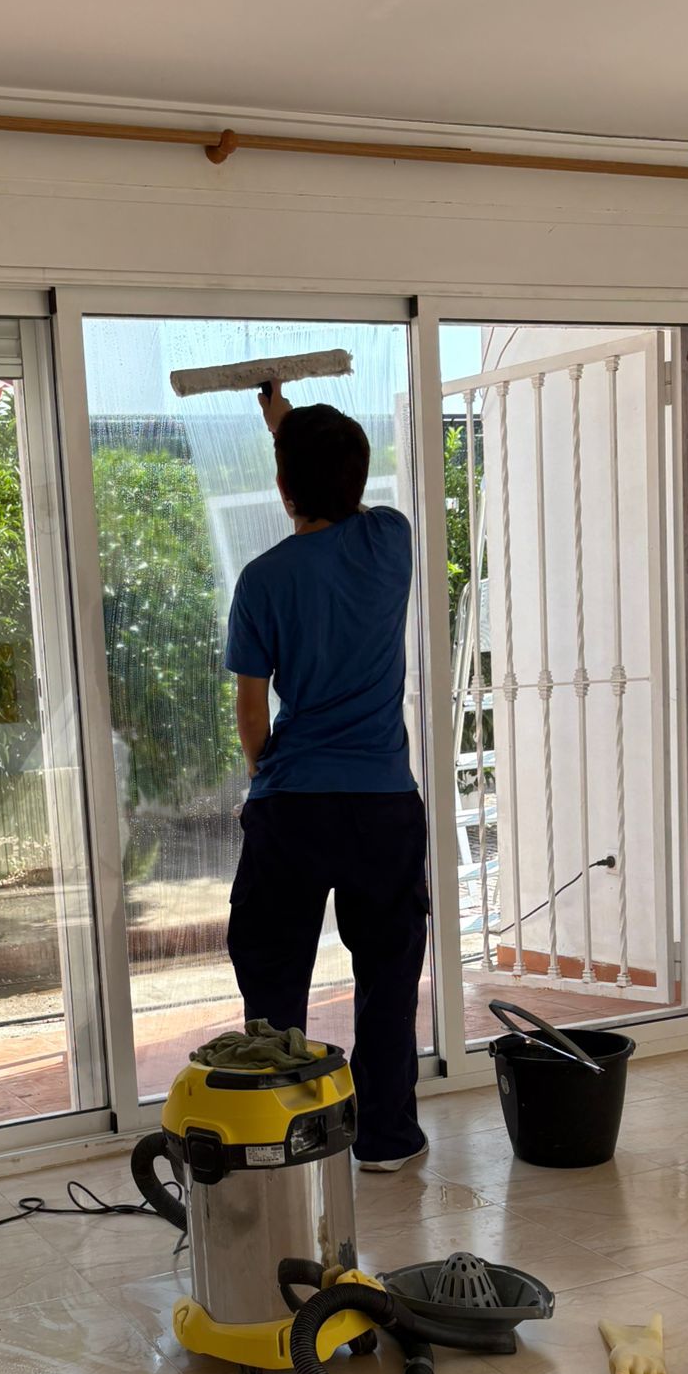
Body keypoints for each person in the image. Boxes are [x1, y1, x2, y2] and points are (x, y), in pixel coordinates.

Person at [223, 385, 429, 1170]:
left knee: (274, 984)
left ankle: (281, 1144)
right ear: (358, 479)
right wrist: (290, 427)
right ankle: (384, 1140)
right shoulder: (392, 543)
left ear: (283, 490)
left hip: (295, 808)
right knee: (386, 975)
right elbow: (336, 481)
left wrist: (262, 778)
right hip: (381, 805)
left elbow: (251, 710)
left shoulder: (264, 579)